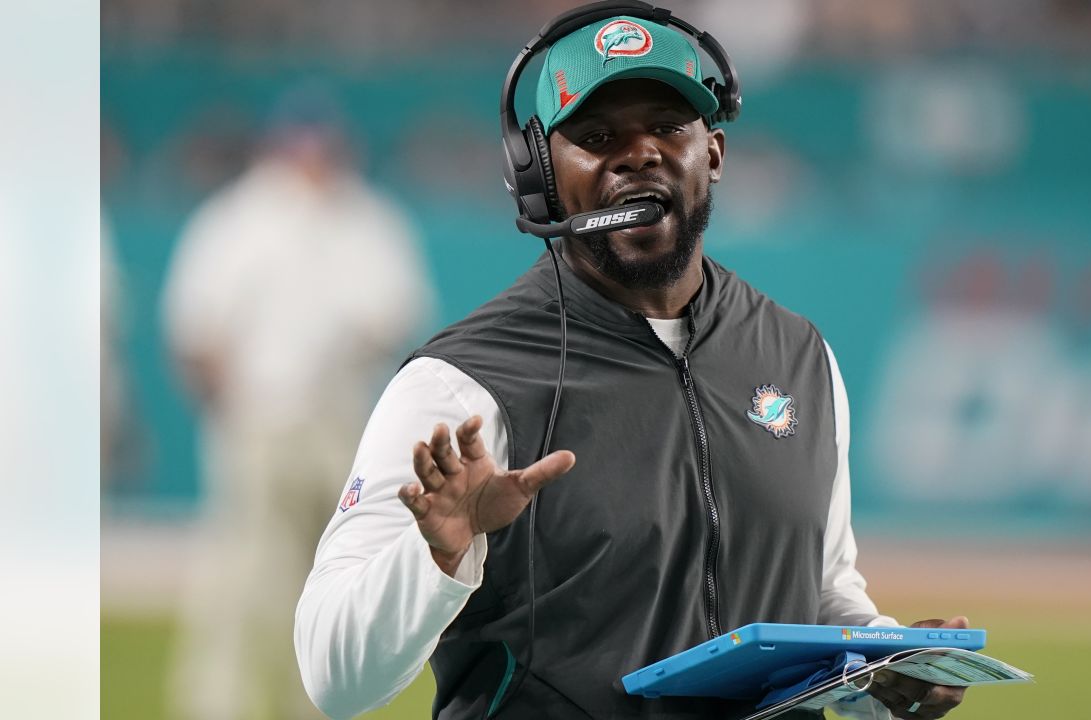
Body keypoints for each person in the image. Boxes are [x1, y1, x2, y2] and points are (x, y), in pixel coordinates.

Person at [295, 11, 967, 720]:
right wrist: (438, 556)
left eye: (667, 128)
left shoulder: (799, 356)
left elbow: (823, 590)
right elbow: (333, 682)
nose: (638, 154)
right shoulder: (459, 388)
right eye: (597, 137)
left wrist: (883, 661)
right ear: (540, 175)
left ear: (713, 153)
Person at [162, 85, 435, 720]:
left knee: (332, 575)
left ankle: (309, 704)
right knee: (242, 575)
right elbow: (196, 332)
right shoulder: (237, 220)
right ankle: (216, 704)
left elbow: (398, 319)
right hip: (258, 417)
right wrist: (228, 409)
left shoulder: (367, 219)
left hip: (340, 420)